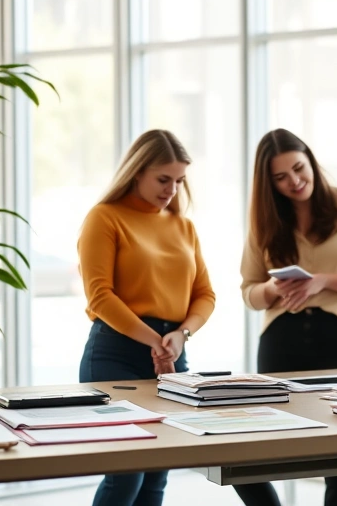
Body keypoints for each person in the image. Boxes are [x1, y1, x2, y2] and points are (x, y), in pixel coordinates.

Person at [236, 128, 337, 506]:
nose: (295, 181)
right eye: (281, 177)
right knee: (254, 447)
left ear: (312, 163)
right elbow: (249, 292)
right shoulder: (265, 221)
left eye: (299, 169)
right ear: (268, 183)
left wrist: (320, 281)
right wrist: (272, 290)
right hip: (281, 340)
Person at [77, 129, 215, 506]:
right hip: (114, 353)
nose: (171, 189)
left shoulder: (183, 226)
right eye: (163, 179)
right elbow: (100, 296)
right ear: (137, 171)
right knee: (126, 474)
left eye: (179, 181)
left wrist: (181, 334)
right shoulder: (104, 218)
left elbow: (205, 295)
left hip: (172, 356)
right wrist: (155, 340)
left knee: (157, 476)